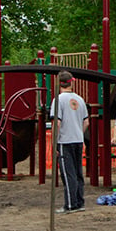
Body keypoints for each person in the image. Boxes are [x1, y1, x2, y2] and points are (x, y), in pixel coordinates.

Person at [51, 71, 89, 214]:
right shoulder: (80, 99)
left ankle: (70, 205)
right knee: (78, 172)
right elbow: (86, 122)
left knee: (68, 174)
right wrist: (79, 132)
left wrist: (54, 143)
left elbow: (57, 123)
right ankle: (80, 202)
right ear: (71, 82)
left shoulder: (58, 100)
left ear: (59, 83)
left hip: (65, 140)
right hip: (78, 140)